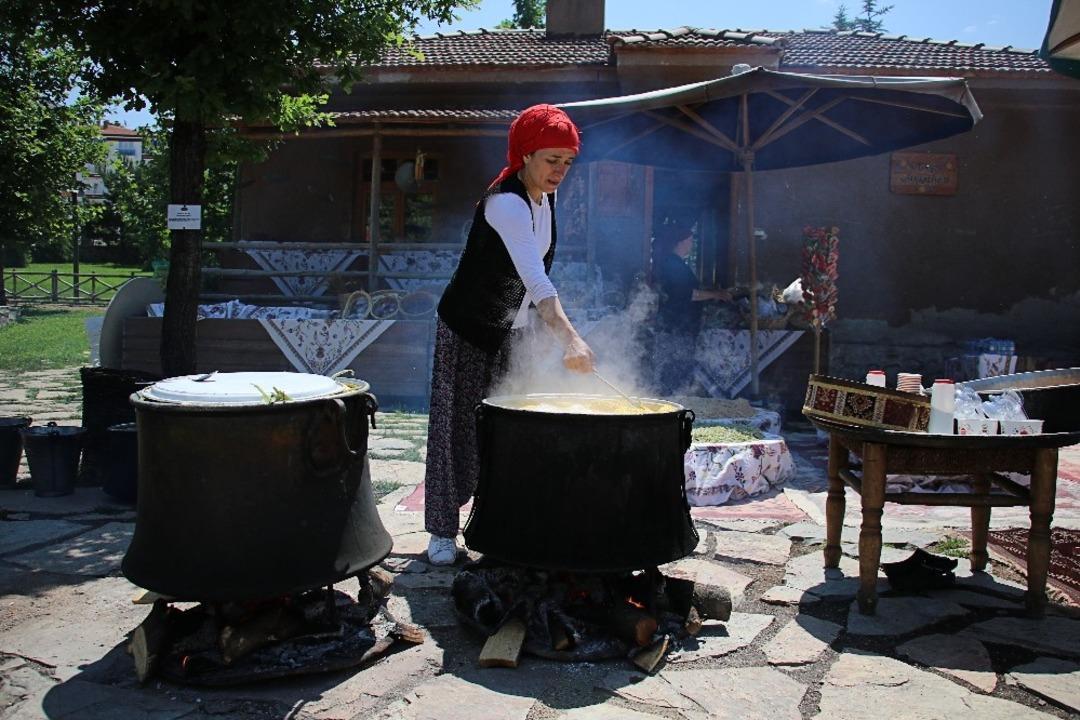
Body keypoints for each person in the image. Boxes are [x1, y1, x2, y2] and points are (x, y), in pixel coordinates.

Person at [423, 104, 596, 565]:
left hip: (511, 331)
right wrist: (570, 338)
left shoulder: (546, 198)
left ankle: (494, 522)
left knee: (504, 430)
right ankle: (442, 533)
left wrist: (545, 335)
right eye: (550, 159)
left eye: (567, 161)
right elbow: (536, 279)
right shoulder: (506, 203)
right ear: (524, 155)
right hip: (468, 328)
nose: (560, 170)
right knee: (454, 430)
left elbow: (532, 286)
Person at [651, 218, 731, 394]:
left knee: (674, 369)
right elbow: (688, 294)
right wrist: (717, 295)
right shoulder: (673, 265)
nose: (691, 243)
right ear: (681, 242)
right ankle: (672, 404)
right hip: (676, 327)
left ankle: (673, 400)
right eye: (690, 240)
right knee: (675, 369)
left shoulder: (674, 264)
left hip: (677, 326)